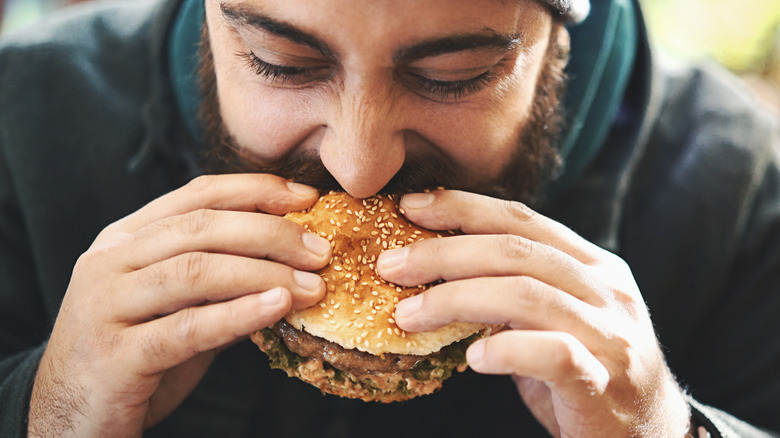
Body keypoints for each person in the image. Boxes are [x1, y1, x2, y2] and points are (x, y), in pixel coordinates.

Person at [0, 0, 778, 436]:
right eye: (281, 62)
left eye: (455, 76)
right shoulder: (21, 117)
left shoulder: (739, 187)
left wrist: (674, 432)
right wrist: (46, 412)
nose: (359, 166)